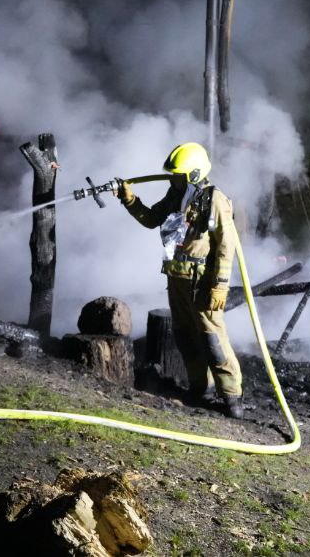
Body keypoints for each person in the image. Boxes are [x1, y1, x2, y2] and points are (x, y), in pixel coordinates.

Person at [116, 142, 244, 418]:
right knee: (185, 336)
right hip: (177, 278)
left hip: (202, 283)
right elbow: (151, 219)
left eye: (178, 175)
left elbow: (226, 246)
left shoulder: (215, 200)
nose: (173, 179)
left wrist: (220, 286)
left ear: (195, 173)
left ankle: (232, 395)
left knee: (212, 338)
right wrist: (130, 200)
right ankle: (199, 387)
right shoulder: (176, 195)